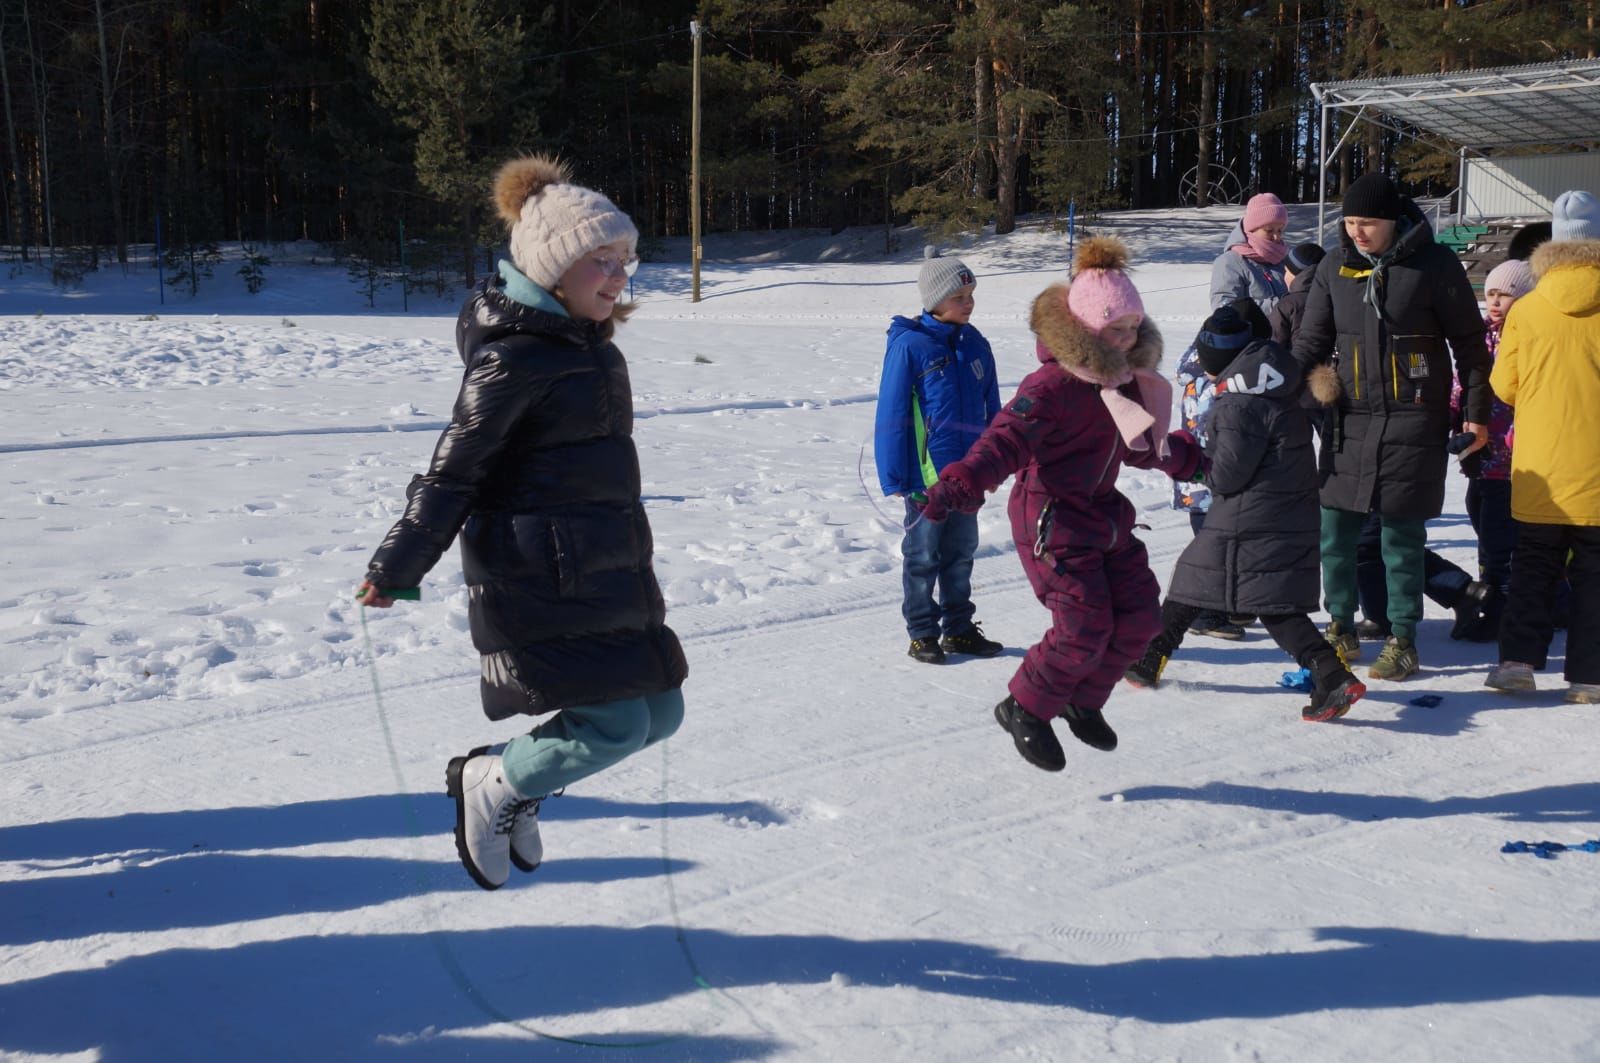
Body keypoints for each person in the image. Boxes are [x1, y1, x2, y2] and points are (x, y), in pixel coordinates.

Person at [357, 155, 688, 890]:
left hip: (607, 568)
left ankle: (524, 784)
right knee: (617, 724)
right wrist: (396, 565)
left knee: (661, 711)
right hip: (542, 575)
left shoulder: (586, 347)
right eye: (600, 260)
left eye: (625, 260)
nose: (617, 276)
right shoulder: (513, 360)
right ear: (551, 267)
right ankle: (496, 782)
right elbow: (455, 471)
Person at [917, 237, 1203, 771]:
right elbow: (1003, 441)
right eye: (1114, 331)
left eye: (1133, 329)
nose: (1126, 340)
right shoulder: (1051, 387)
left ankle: (1082, 699)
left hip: (1103, 514)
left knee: (1141, 619)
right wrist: (961, 483)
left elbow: (1139, 447)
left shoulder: (1123, 383)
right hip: (1051, 520)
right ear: (1085, 330)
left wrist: (1186, 459)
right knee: (1084, 626)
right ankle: (1024, 706)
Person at [1292, 172, 1492, 682]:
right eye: (1352, 222)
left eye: (1369, 224)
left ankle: (1403, 639)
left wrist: (1475, 413)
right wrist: (1280, 398)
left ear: (1394, 220)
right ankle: (1340, 627)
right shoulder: (1335, 267)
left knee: (1400, 540)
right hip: (1348, 420)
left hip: (1413, 421)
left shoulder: (1434, 265)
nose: (1358, 232)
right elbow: (1309, 343)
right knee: (1335, 534)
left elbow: (1470, 347)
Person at [1124, 306, 1363, 722]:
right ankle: (1150, 657)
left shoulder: (1238, 403)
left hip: (1253, 513)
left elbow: (1229, 475)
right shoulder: (1272, 386)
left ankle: (1331, 674)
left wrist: (1196, 460)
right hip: (1279, 508)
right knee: (1196, 576)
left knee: (1269, 604)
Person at [1484, 190, 1600, 704]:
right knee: (1595, 573)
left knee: (1533, 564)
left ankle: (1517, 664)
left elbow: (1503, 387)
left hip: (1541, 468)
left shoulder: (1526, 311)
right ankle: (1590, 676)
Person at [874, 247, 1003, 664]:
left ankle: (959, 629)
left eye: (971, 296)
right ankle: (923, 631)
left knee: (962, 551)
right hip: (925, 477)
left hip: (968, 473)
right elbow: (892, 411)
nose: (969, 304)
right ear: (935, 300)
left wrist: (998, 459)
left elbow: (993, 405)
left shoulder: (976, 343)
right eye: (959, 297)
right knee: (922, 554)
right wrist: (895, 476)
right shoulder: (911, 346)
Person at [1212, 192, 1291, 315]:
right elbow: (1225, 308)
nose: (1276, 237)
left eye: (1280, 230)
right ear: (1251, 229)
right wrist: (1281, 306)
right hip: (1251, 334)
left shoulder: (1284, 259)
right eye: (1269, 230)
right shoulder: (1230, 262)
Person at [1267, 242, 1326, 347]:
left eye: (1286, 271)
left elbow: (1275, 344)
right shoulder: (1331, 297)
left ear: (1297, 275)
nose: (1284, 275)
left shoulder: (1288, 304)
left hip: (1293, 361)